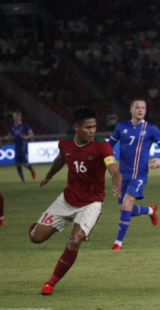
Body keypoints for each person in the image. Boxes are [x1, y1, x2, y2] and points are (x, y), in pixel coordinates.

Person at [29, 107, 122, 295]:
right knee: (36, 238)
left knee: (74, 240)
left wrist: (117, 183)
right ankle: (36, 226)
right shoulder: (65, 144)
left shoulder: (102, 145)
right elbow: (60, 160)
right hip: (67, 199)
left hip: (91, 202)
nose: (93, 131)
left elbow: (113, 168)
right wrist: (48, 176)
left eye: (95, 127)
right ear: (77, 127)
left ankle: (50, 283)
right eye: (88, 127)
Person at [108, 98, 160, 250]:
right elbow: (108, 146)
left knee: (127, 203)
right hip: (122, 175)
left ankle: (118, 243)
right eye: (137, 108)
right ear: (131, 110)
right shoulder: (122, 127)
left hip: (139, 175)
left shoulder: (151, 129)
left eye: (143, 108)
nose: (140, 110)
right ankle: (150, 210)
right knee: (124, 208)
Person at [4, 110, 36, 183]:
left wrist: (25, 137)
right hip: (17, 146)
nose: (17, 118)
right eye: (15, 116)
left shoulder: (25, 125)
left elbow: (31, 134)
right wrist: (7, 137)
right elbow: (10, 135)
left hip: (24, 146)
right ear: (13, 117)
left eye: (18, 116)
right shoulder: (12, 126)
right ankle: (22, 179)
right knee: (17, 164)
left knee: (25, 164)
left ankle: (32, 170)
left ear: (20, 117)